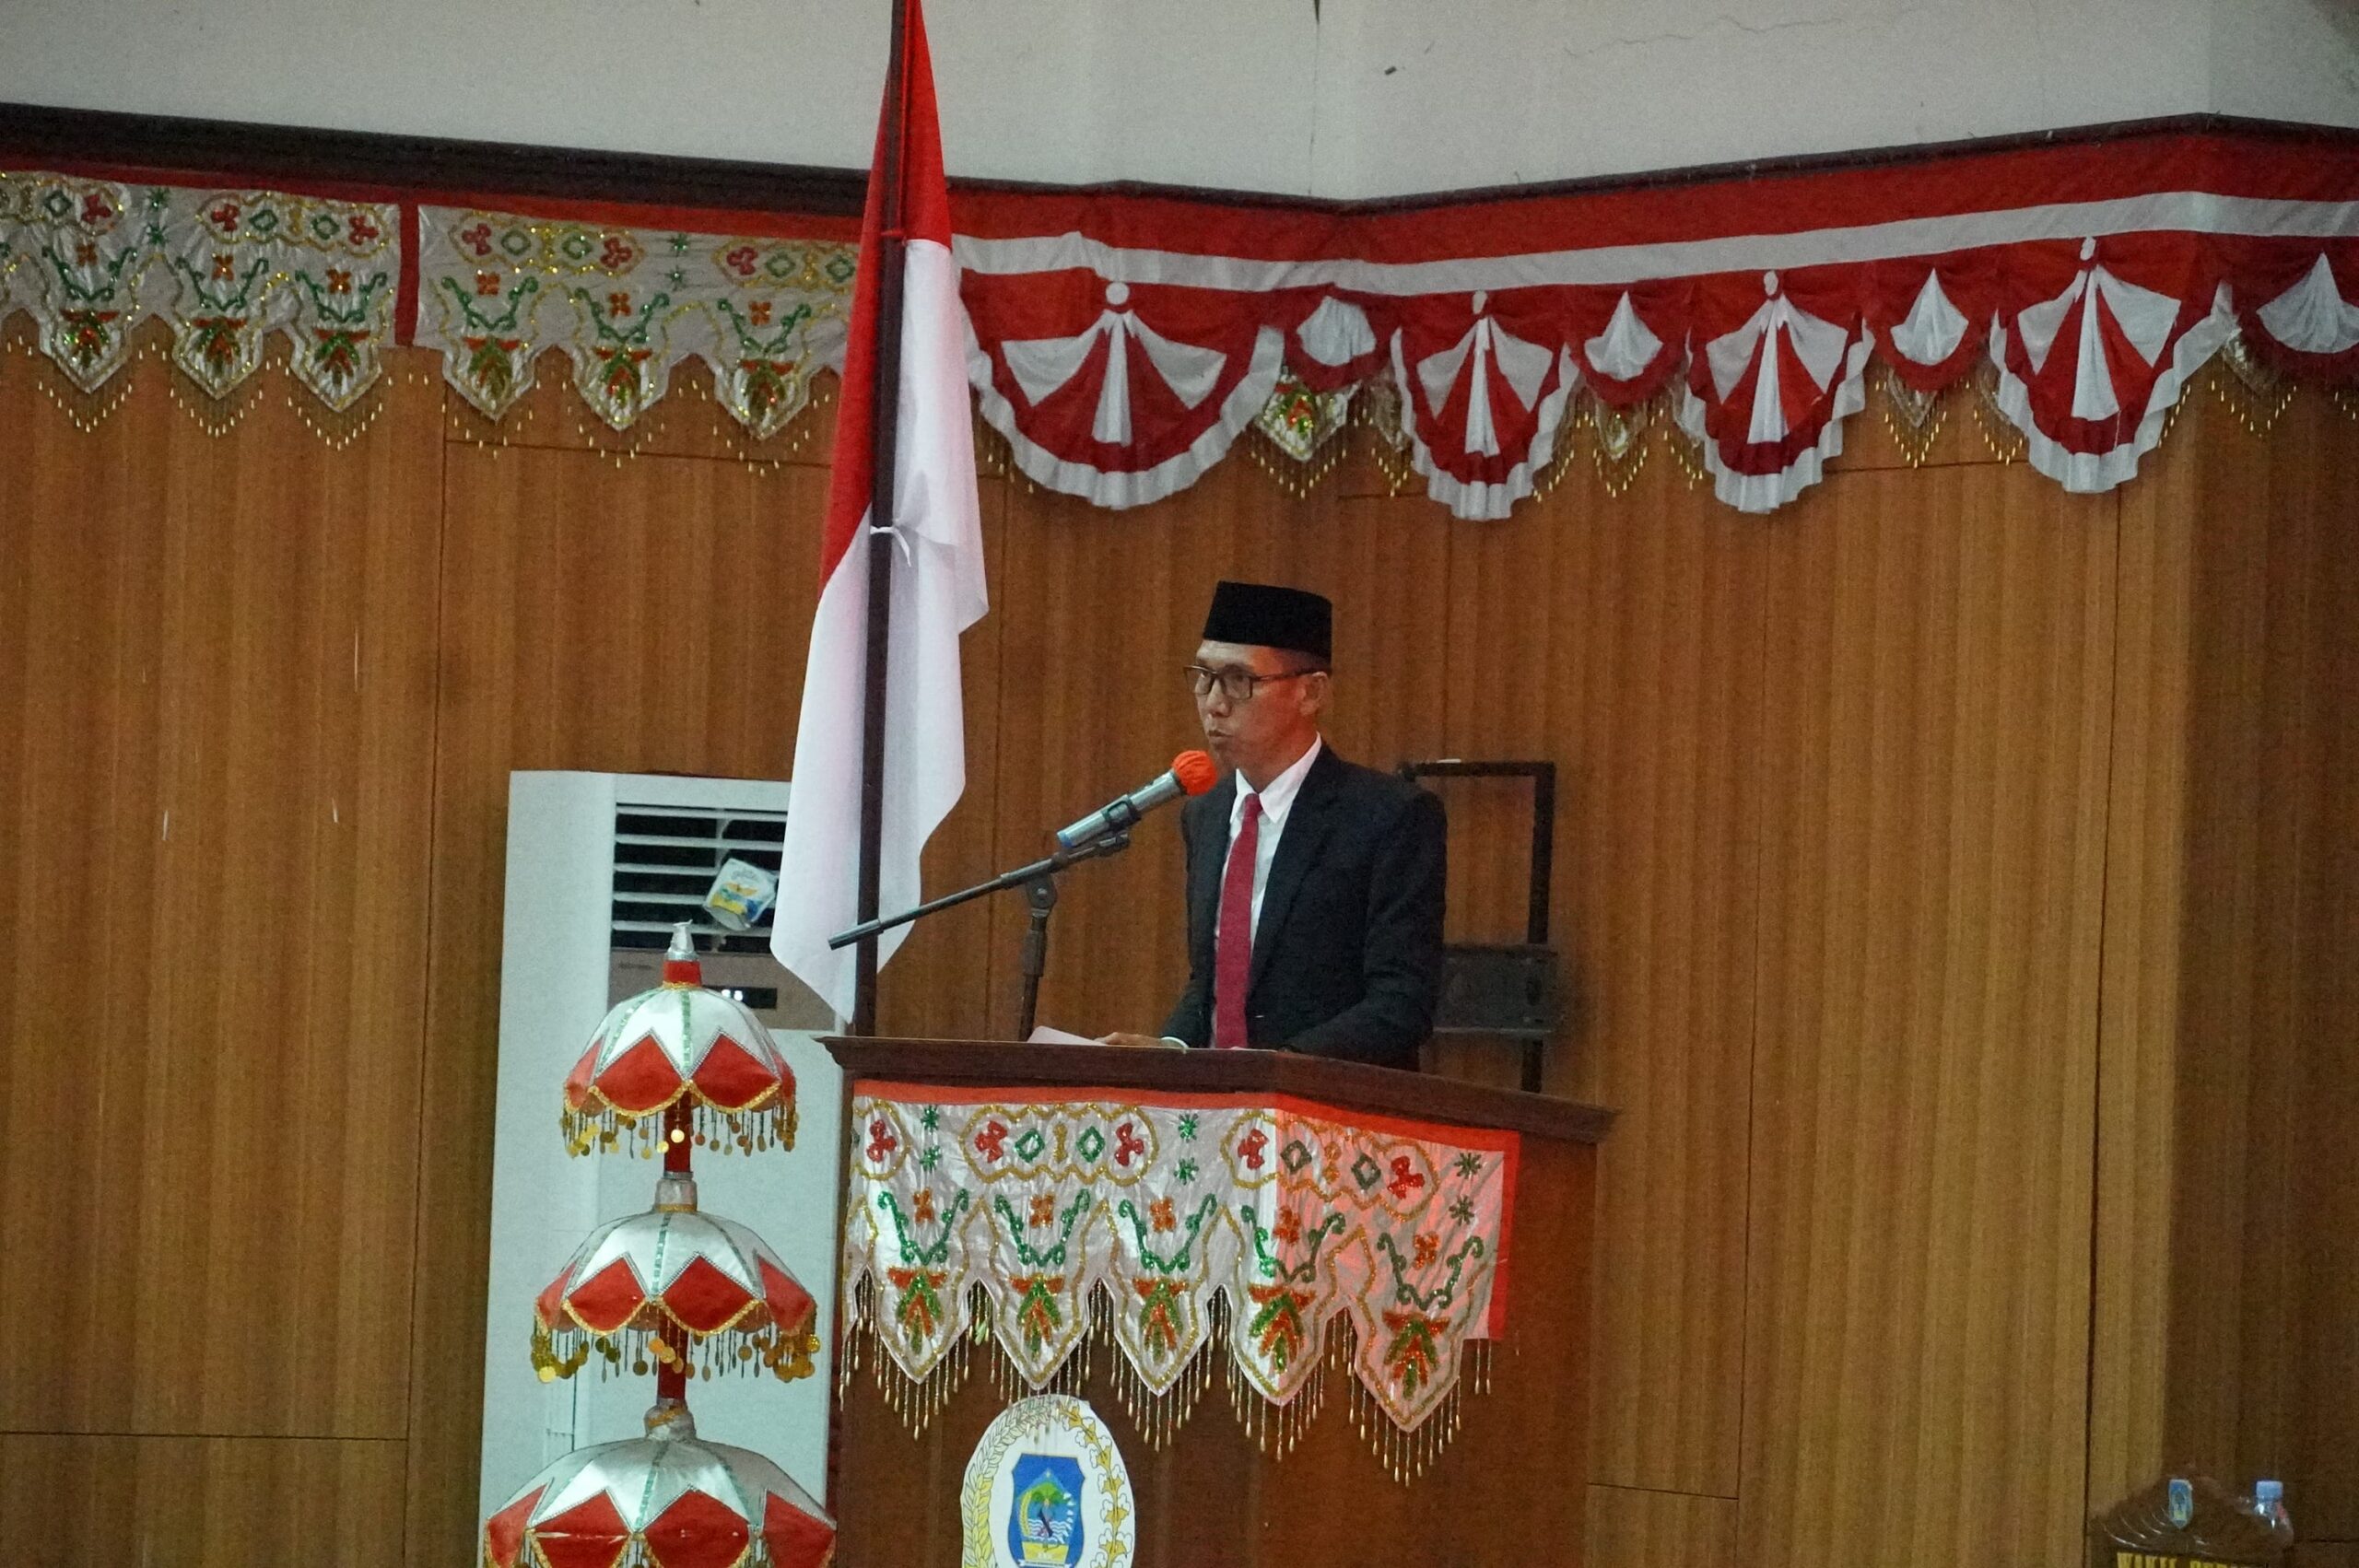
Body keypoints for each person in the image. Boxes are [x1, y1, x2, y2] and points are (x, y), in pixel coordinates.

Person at [1100, 580, 1446, 1071]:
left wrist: (1278, 1068)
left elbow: (1401, 1004)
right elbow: (1213, 982)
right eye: (1204, 676)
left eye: (1238, 680)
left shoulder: (1388, 816)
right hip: (1225, 1104)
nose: (1214, 703)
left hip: (1331, 1103)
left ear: (1310, 693)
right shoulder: (1206, 813)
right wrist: (1172, 1048)